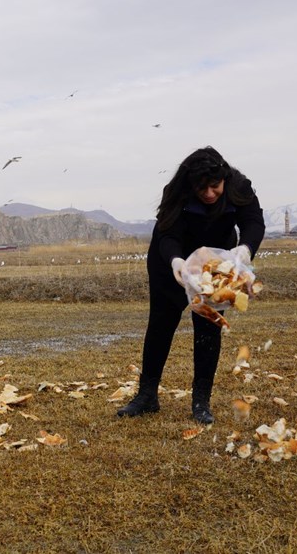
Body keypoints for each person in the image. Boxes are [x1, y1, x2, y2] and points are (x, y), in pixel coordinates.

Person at [117, 146, 265, 423]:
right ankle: (147, 395)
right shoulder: (175, 191)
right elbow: (167, 233)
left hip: (216, 261)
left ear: (224, 179)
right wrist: (176, 262)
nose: (209, 194)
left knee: (209, 323)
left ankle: (201, 402)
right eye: (201, 189)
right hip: (171, 262)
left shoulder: (239, 186)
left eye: (215, 187)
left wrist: (243, 250)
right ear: (190, 184)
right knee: (161, 322)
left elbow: (254, 222)